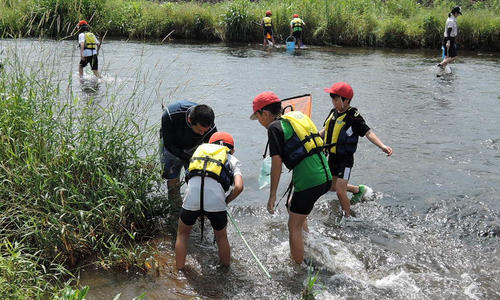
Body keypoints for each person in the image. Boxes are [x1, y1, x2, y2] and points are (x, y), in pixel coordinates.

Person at [250, 91, 332, 264]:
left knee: (292, 226)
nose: (259, 123)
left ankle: (297, 269)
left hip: (310, 181)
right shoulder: (296, 117)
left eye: (257, 118)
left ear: (265, 113)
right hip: (325, 174)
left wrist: (272, 195)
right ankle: (306, 242)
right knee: (291, 205)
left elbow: (277, 163)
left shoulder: (273, 128)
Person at [319, 82, 392, 218]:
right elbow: (326, 130)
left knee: (340, 191)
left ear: (346, 100)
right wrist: (313, 137)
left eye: (336, 98)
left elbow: (368, 132)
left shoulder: (354, 117)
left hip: (345, 160)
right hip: (332, 157)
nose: (333, 101)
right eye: (332, 98)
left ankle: (347, 218)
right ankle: (358, 190)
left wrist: (382, 146)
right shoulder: (333, 112)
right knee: (330, 186)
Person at [175, 132, 244, 269]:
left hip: (192, 199)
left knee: (182, 234)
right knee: (221, 237)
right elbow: (239, 187)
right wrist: (226, 201)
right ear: (232, 149)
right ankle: (225, 271)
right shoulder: (231, 158)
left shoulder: (198, 154)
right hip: (216, 202)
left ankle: (179, 269)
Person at [160, 101, 217, 206]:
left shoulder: (210, 126)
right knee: (172, 179)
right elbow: (168, 144)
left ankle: (196, 207)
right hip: (172, 145)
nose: (202, 133)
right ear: (190, 120)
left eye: (205, 131)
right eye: (200, 130)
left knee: (197, 179)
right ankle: (175, 209)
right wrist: (188, 158)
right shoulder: (170, 115)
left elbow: (214, 148)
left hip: (195, 146)